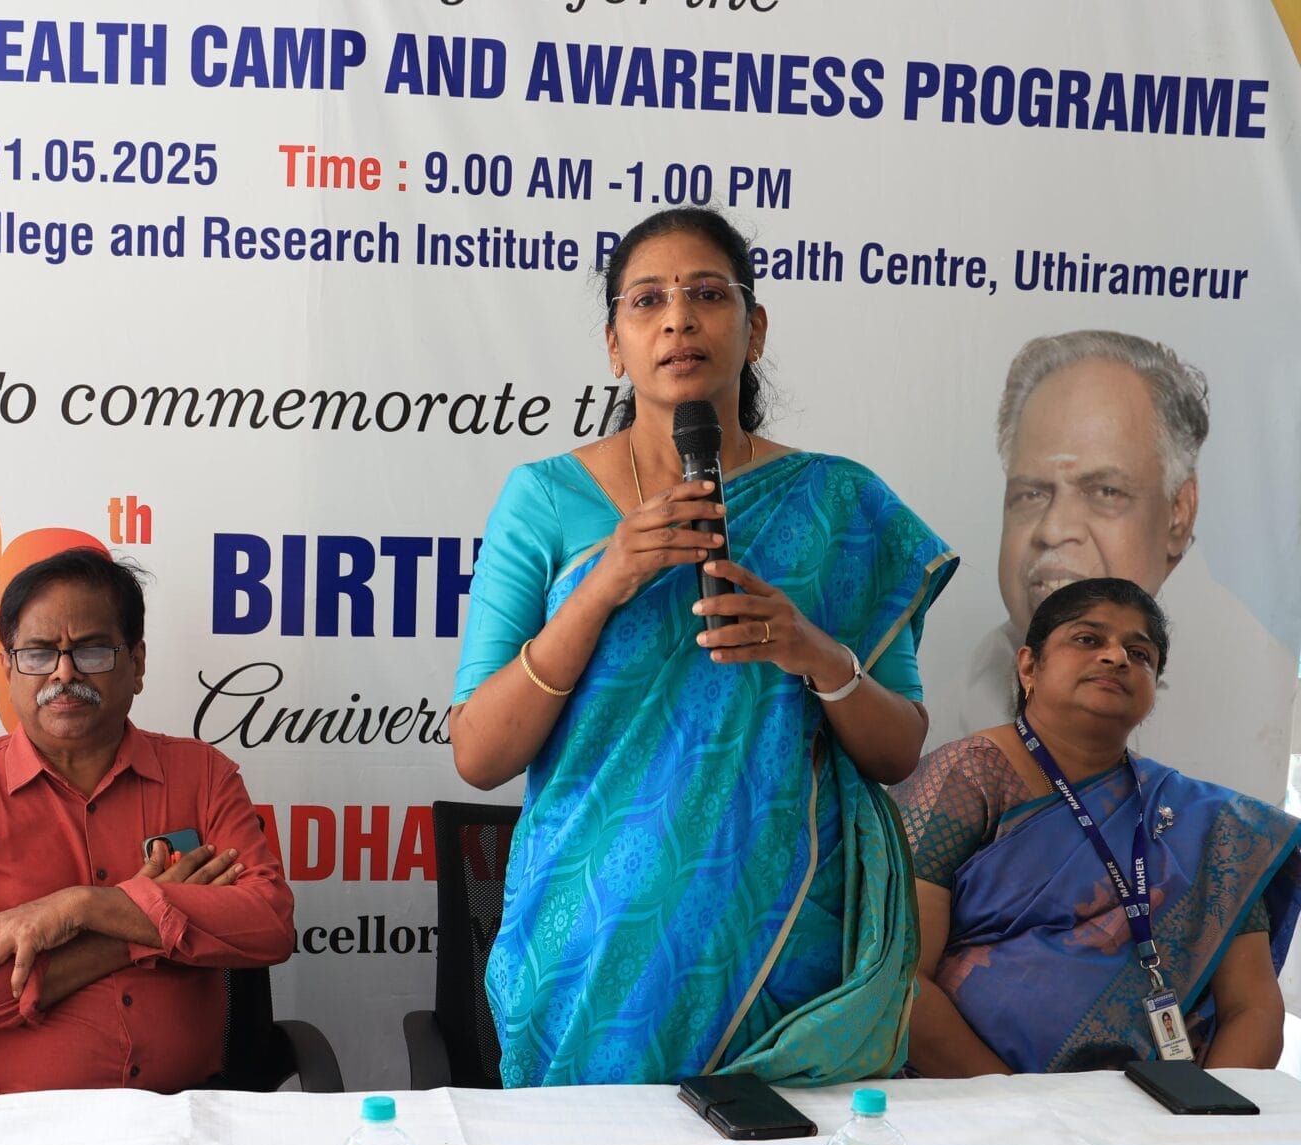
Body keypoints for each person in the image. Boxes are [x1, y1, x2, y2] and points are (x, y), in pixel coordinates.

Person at [450, 207, 957, 1087]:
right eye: (647, 300)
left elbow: (898, 749)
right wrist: (604, 583)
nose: (678, 319)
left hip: (785, 945)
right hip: (590, 950)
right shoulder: (544, 499)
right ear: (615, 345)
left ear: (753, 329)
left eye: (708, 295)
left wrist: (810, 650)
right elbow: (479, 754)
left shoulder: (839, 504)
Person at [0, 548, 295, 1094]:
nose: (64, 673)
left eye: (91, 650)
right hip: (8, 1120)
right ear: (8, 667)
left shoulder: (204, 776)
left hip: (184, 1112)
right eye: (39, 653)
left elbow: (268, 925)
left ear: (137, 663)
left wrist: (81, 907)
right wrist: (131, 931)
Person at [900, 578, 1298, 1075]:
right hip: (969, 1098)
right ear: (1029, 666)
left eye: (1140, 653)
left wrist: (1205, 1114)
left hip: (1156, 1111)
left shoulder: (1212, 827)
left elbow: (1252, 1009)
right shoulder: (969, 774)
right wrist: (1013, 1102)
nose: (1116, 657)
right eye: (1088, 639)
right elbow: (900, 979)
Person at [950, 330, 1292, 805]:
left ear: (1179, 511)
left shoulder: (1241, 682)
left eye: (1104, 492)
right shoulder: (980, 671)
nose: (1053, 529)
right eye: (1032, 494)